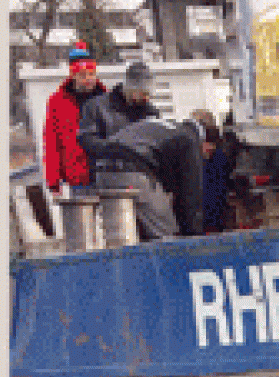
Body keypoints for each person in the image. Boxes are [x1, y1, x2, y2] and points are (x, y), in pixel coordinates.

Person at [84, 112, 207, 239]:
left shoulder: (160, 126)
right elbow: (191, 191)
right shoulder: (189, 138)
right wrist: (193, 234)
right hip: (130, 169)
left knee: (118, 236)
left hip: (101, 170)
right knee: (166, 233)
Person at [43, 45, 106, 193]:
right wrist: (53, 181)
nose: (88, 79)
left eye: (91, 74)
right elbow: (52, 142)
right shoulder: (57, 102)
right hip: (77, 177)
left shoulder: (106, 98)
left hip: (106, 174)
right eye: (83, 75)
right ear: (73, 75)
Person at [78, 57, 160, 157]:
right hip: (107, 168)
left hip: (142, 168)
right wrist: (117, 147)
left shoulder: (151, 113)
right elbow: (86, 141)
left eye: (149, 96)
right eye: (143, 94)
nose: (146, 99)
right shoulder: (96, 107)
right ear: (129, 88)